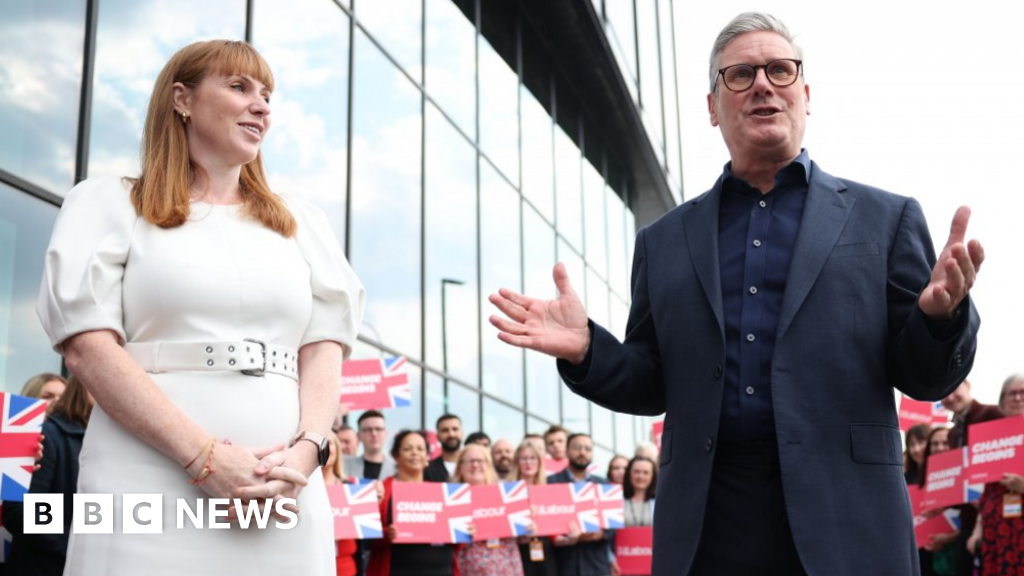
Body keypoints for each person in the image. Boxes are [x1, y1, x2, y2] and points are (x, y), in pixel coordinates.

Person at [489, 12, 982, 575]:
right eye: (741, 74)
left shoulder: (886, 219)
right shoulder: (664, 241)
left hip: (847, 522)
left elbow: (923, 377)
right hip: (708, 527)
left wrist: (941, 320)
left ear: (805, 93)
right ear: (712, 106)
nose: (763, 85)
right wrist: (586, 349)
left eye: (780, 69)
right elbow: (651, 379)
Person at [35, 40, 365, 576]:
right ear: (182, 99)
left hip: (281, 487)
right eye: (239, 88)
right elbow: (87, 347)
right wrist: (203, 458)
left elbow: (325, 346)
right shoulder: (107, 203)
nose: (261, 106)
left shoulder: (303, 223)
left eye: (267, 95)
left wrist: (307, 452)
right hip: (141, 476)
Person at [2, 375, 93, 575]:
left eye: (60, 396)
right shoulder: (47, 435)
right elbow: (20, 511)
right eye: (48, 395)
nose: (56, 402)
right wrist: (77, 542)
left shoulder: (93, 441)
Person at [367, 430, 458, 576]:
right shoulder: (382, 490)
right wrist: (386, 535)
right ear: (396, 456)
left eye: (420, 449)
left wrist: (464, 530)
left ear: (427, 456)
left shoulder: (441, 493)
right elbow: (366, 539)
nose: (414, 453)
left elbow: (455, 542)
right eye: (408, 449)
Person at [942, 378, 1003, 574]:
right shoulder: (951, 434)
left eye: (954, 388)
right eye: (944, 394)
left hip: (997, 514)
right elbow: (957, 477)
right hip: (968, 516)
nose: (950, 397)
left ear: (967, 385)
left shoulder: (993, 413)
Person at [966, 374, 1024, 576]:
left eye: (1022, 393)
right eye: (1012, 394)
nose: (1017, 398)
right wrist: (977, 531)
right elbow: (986, 490)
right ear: (1002, 401)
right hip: (995, 531)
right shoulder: (990, 436)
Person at [453, 444, 525, 576]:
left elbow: (522, 537)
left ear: (489, 465)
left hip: (507, 568)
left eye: (480, 461)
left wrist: (528, 523)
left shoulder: (507, 495)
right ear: (460, 467)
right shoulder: (451, 499)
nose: (475, 465)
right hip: (468, 569)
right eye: (470, 461)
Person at [547, 434, 613, 576]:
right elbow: (545, 522)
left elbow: (613, 523)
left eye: (587, 449)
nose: (582, 452)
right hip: (563, 564)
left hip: (596, 565)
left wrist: (601, 534)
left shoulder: (604, 484)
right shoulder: (550, 483)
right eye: (577, 447)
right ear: (567, 451)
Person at [512, 441, 563, 576]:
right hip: (517, 551)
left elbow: (555, 528)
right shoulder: (509, 492)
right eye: (524, 458)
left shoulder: (548, 490)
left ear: (539, 462)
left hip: (545, 551)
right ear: (517, 462)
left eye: (533, 458)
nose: (528, 462)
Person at [919, 426, 956, 576]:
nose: (940, 448)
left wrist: (949, 538)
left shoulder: (969, 474)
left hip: (958, 551)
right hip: (929, 554)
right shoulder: (923, 476)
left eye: (945, 443)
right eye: (935, 444)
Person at [323, 435, 359, 576]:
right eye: (319, 444)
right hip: (312, 563)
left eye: (329, 443)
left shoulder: (352, 489)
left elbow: (365, 536)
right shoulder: (303, 491)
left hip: (346, 567)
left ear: (337, 449)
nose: (324, 448)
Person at [344, 409, 396, 481]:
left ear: (386, 434)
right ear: (358, 436)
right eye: (368, 429)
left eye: (378, 429)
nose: (374, 434)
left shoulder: (397, 469)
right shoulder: (344, 466)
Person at [425, 413, 463, 482]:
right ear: (437, 436)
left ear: (462, 433)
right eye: (445, 430)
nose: (451, 434)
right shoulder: (428, 470)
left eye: (455, 429)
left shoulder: (474, 467)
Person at [623, 456, 657, 529]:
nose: (640, 476)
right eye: (636, 471)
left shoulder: (659, 502)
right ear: (629, 474)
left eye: (646, 473)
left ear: (653, 476)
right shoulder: (616, 499)